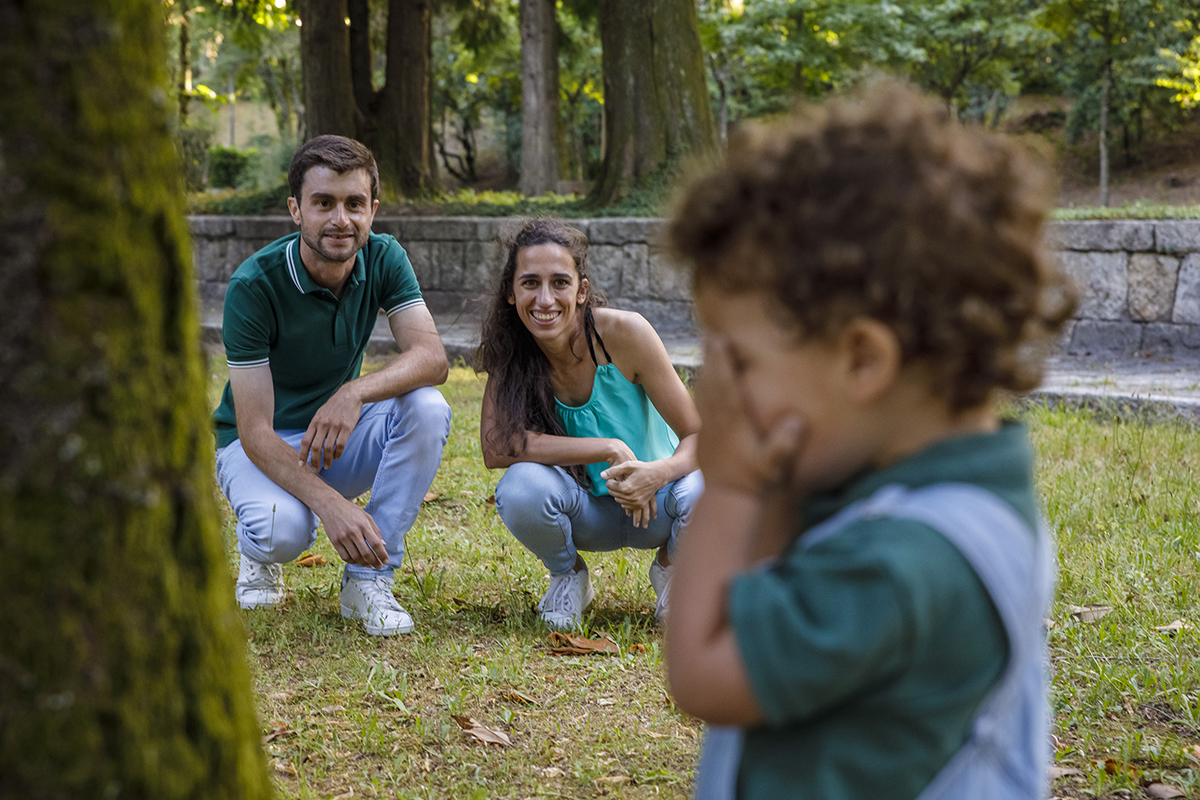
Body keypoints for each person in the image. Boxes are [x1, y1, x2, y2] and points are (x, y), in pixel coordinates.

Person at [664, 83, 1076, 799]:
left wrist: (729, 484)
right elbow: (761, 580)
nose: (721, 392)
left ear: (861, 360)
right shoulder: (936, 489)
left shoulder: (902, 563)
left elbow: (703, 672)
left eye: (743, 364)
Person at [212, 135, 451, 636]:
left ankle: (369, 578)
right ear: (296, 210)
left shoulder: (384, 257)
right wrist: (332, 505)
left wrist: (354, 392)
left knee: (428, 407)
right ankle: (257, 553)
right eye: (323, 203)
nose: (341, 219)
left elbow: (431, 358)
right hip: (259, 443)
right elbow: (254, 431)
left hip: (333, 436)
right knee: (281, 532)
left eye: (354, 204)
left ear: (372, 210)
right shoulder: (254, 286)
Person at [477, 218, 702, 629]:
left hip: (656, 504)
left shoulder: (625, 334)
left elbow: (699, 435)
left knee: (710, 486)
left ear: (581, 291)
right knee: (520, 486)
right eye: (530, 283)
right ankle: (569, 576)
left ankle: (673, 571)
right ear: (511, 292)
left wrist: (658, 473)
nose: (545, 299)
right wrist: (607, 447)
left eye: (560, 282)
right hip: (584, 511)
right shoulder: (511, 350)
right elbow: (496, 446)